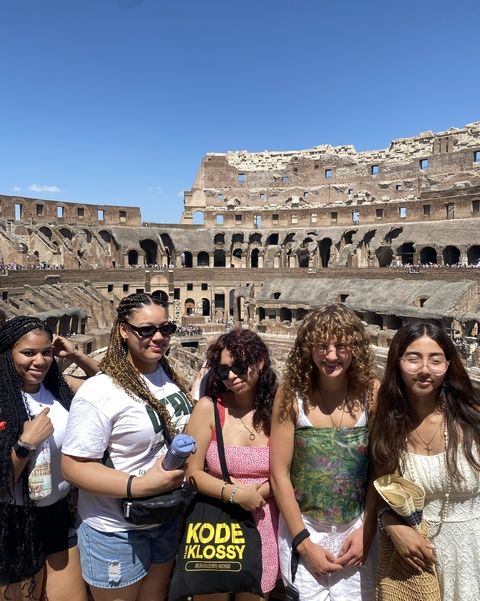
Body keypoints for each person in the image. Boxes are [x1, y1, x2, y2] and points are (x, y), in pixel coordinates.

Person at [61, 292, 192, 601]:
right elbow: (72, 466)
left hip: (164, 518)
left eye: (166, 329)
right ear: (123, 329)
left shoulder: (167, 376)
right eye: (146, 330)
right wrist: (141, 485)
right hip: (115, 530)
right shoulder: (99, 392)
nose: (158, 337)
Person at [270, 304, 377, 601]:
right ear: (309, 348)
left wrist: (366, 529)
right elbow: (279, 474)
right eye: (322, 346)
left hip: (355, 531)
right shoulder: (291, 394)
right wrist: (303, 544)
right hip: (304, 529)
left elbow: (378, 471)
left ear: (354, 347)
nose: (331, 355)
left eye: (341, 345)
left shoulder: (372, 392)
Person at [371, 322, 480, 601]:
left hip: (473, 552)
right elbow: (381, 493)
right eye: (413, 358)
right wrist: (393, 527)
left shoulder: (473, 419)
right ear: (397, 362)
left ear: (448, 364)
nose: (424, 369)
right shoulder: (386, 425)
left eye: (435, 360)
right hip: (415, 562)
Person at [0, 316, 99, 601]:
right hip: (13, 524)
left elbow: (111, 385)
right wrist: (25, 444)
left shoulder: (59, 386)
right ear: (8, 353)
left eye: (46, 352)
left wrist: (77, 355)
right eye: (28, 353)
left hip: (58, 513)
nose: (40, 361)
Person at [185, 328, 280, 599]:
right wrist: (237, 494)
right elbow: (193, 473)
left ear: (259, 362)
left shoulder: (278, 411)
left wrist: (257, 495)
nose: (231, 377)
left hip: (264, 524)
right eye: (222, 371)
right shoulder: (208, 408)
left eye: (238, 367)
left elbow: (289, 469)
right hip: (217, 524)